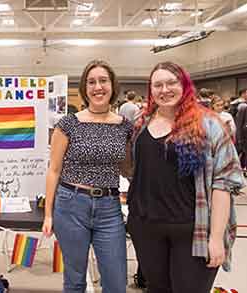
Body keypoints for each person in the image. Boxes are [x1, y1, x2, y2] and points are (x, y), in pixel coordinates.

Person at [127, 61, 245, 293]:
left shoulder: (208, 124)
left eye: (172, 83)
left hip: (193, 230)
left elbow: (223, 184)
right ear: (150, 90)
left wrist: (216, 238)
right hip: (147, 227)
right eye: (158, 85)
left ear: (185, 85)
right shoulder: (142, 123)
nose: (165, 90)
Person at [42, 60, 132, 293]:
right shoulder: (68, 124)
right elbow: (54, 169)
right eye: (91, 82)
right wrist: (48, 215)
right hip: (71, 205)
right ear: (84, 88)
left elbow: (129, 168)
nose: (98, 87)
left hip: (110, 208)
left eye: (103, 81)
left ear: (112, 86)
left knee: (116, 282)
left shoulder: (125, 126)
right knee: (74, 279)